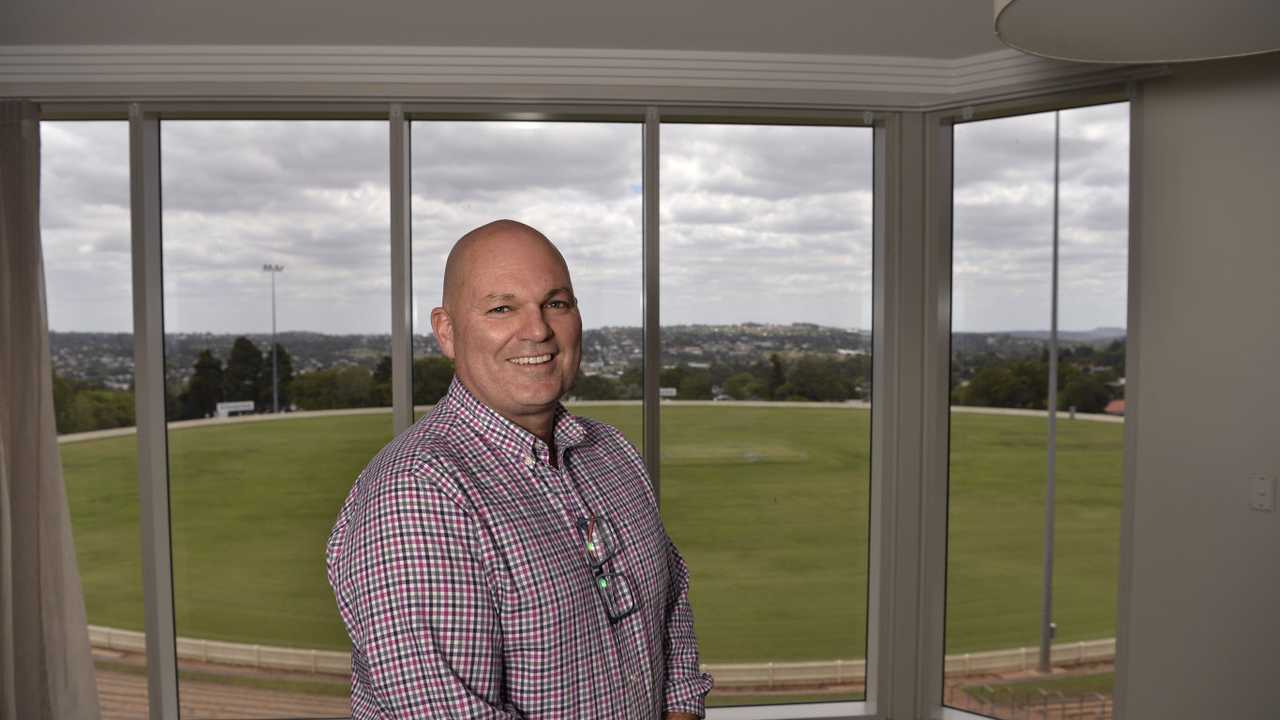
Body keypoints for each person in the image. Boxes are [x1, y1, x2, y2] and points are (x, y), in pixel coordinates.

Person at [326, 219, 713, 719]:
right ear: (446, 331)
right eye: (501, 308)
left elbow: (671, 608)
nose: (537, 330)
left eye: (556, 303)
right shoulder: (417, 495)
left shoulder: (613, 454)